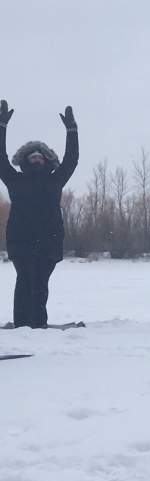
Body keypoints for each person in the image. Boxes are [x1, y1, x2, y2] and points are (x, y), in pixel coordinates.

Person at [0, 100, 79, 328]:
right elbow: (1, 159)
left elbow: (71, 161)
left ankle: (38, 325)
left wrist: (71, 130)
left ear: (46, 160)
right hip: (21, 240)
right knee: (24, 279)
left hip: (49, 240)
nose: (36, 159)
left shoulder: (55, 179)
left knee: (40, 283)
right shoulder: (15, 180)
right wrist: (2, 126)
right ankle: (23, 326)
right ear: (25, 161)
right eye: (32, 157)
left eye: (40, 156)